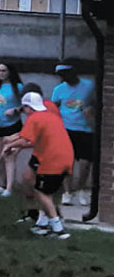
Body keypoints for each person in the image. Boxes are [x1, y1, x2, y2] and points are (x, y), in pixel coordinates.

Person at [4, 92, 75, 239]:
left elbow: (25, 140)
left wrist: (8, 145)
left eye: (24, 108)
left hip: (51, 160)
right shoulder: (51, 116)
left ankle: (58, 228)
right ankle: (43, 223)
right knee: (47, 191)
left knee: (41, 192)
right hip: (66, 158)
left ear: (28, 107)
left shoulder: (34, 119)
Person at [51, 64, 95, 207]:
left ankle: (81, 189)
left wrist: (91, 111)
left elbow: (98, 101)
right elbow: (53, 107)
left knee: (85, 163)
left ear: (73, 73)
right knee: (66, 162)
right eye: (61, 76)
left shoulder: (89, 85)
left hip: (86, 129)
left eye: (66, 74)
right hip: (66, 129)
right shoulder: (59, 90)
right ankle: (67, 192)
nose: (65, 78)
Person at [0, 62, 24, 196]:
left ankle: (9, 187)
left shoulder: (18, 87)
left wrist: (15, 110)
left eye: (4, 70)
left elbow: (25, 106)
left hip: (13, 124)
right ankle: (2, 184)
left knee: (9, 155)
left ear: (10, 72)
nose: (1, 73)